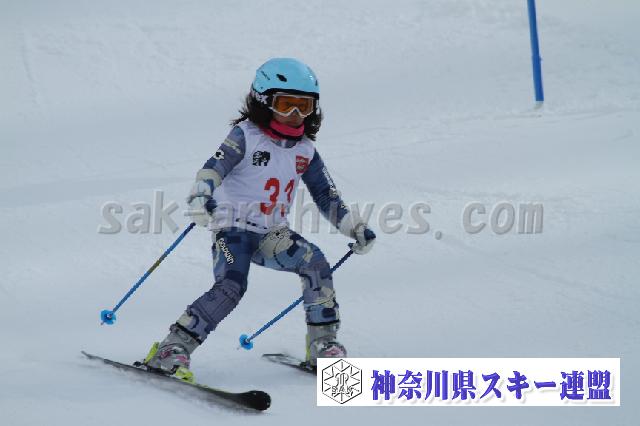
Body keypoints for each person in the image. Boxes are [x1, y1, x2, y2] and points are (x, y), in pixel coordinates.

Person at [142, 58, 376, 382]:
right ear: (263, 101)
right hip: (232, 230)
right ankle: (173, 347)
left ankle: (323, 345)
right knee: (231, 286)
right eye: (285, 104)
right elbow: (214, 168)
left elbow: (326, 196)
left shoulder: (305, 151)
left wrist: (355, 227)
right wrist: (200, 195)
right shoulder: (246, 136)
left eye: (304, 106)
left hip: (272, 236)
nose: (295, 115)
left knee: (315, 263)